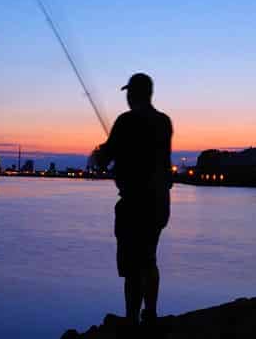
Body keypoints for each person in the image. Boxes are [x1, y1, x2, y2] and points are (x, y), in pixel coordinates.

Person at [92, 72, 173, 327]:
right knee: (148, 258)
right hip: (160, 202)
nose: (126, 97)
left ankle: (131, 319)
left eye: (128, 93)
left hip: (135, 202)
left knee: (132, 265)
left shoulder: (126, 121)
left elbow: (103, 159)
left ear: (133, 94)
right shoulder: (163, 122)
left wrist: (98, 154)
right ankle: (149, 314)